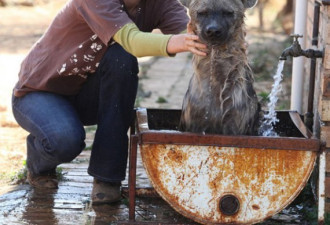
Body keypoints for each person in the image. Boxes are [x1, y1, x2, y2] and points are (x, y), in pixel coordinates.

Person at [11, 0, 207, 204]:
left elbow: (194, 33)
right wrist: (180, 42)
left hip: (86, 94)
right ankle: (38, 164)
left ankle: (107, 179)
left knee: (123, 59)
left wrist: (213, 39)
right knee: (65, 140)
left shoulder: (159, 3)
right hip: (41, 92)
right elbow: (134, 41)